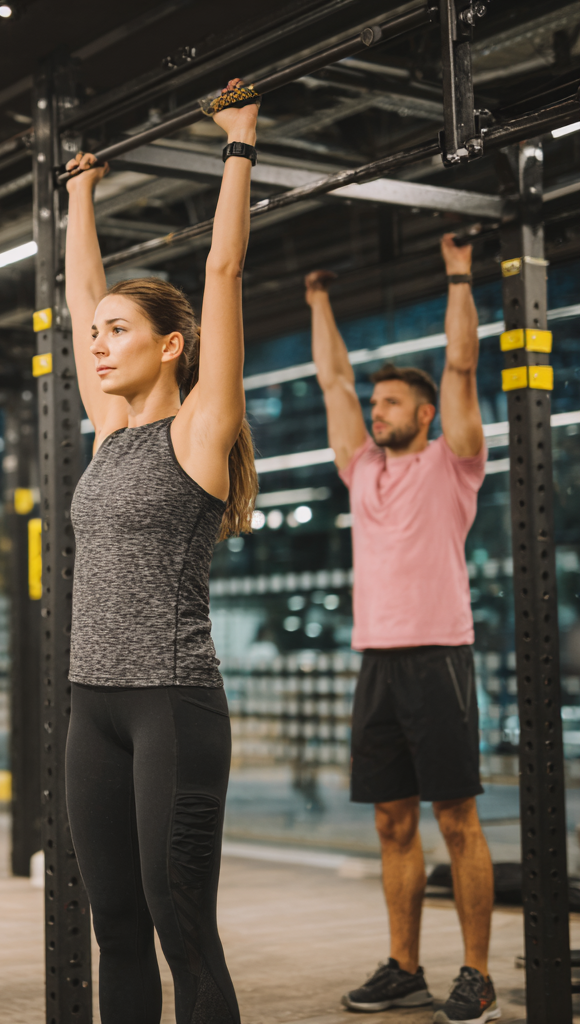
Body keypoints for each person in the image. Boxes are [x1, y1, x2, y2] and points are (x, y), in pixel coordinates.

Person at [62, 78, 259, 1024]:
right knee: (116, 927)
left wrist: (238, 146)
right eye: (96, 336)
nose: (97, 344)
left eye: (118, 333)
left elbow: (221, 274)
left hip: (169, 704)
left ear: (172, 346)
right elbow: (76, 295)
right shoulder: (107, 435)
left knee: (183, 928)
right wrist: (78, 195)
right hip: (91, 704)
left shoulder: (198, 433)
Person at [305, 235, 496, 1024]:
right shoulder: (363, 471)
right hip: (376, 662)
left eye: (389, 404)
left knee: (456, 817)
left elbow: (461, 368)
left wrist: (459, 274)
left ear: (422, 416)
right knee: (392, 820)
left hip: (438, 657)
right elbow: (333, 379)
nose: (374, 410)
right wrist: (318, 301)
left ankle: (476, 974)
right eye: (374, 403)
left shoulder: (453, 463)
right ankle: (406, 967)